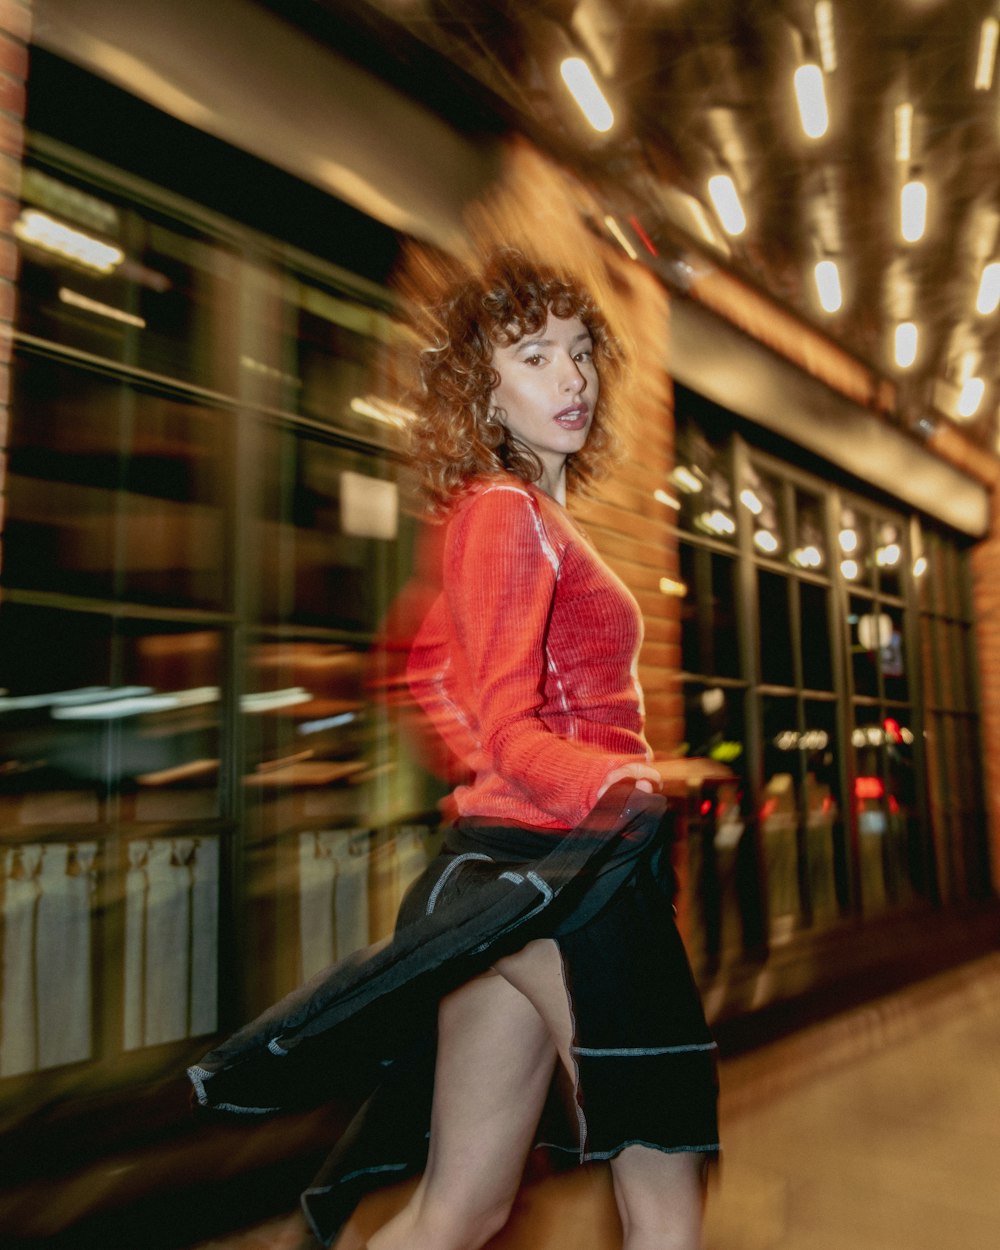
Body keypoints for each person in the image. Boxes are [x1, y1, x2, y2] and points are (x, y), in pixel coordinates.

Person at [187, 248, 719, 1250]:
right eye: (531, 355)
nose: (569, 378)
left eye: (577, 352)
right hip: (571, 881)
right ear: (482, 386)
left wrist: (493, 777)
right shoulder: (505, 511)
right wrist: (619, 775)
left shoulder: (521, 516)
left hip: (507, 874)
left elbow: (433, 673)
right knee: (665, 1211)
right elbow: (513, 723)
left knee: (460, 1207)